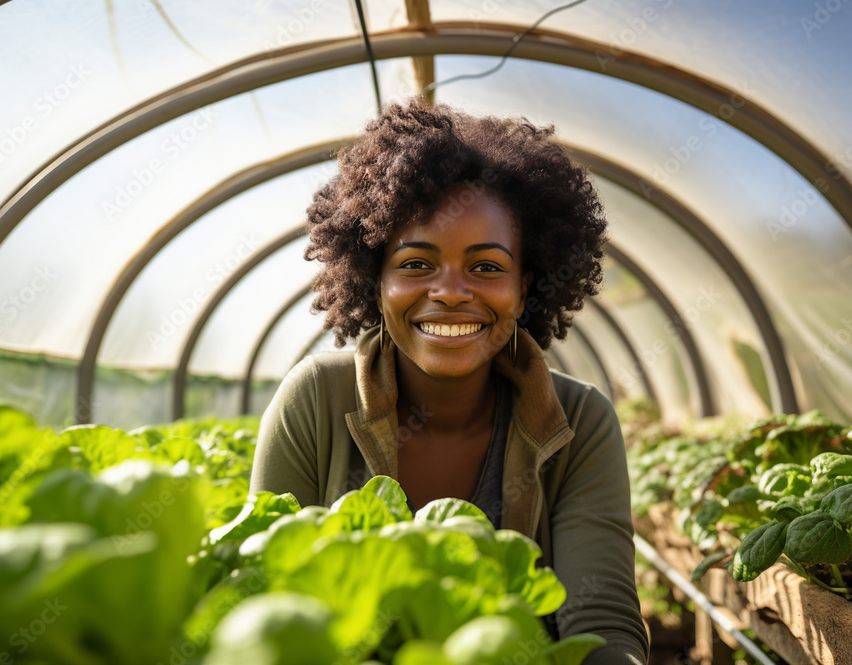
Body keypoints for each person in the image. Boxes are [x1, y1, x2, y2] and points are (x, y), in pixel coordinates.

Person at [250, 98, 649, 664]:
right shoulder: (315, 399)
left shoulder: (580, 422)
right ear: (375, 278)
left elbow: (601, 625)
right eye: (415, 264)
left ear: (525, 285)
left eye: (487, 267)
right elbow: (267, 603)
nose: (451, 292)